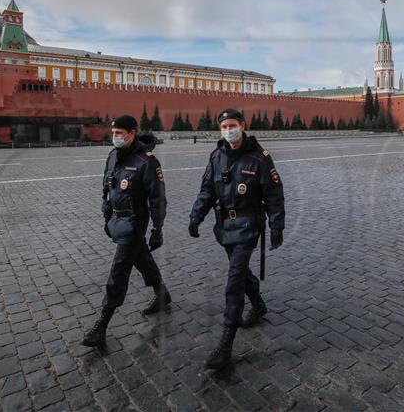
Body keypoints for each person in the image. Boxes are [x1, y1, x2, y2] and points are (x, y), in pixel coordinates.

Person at [188, 108, 285, 369]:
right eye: (223, 126)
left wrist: (277, 227)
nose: (228, 130)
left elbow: (274, 195)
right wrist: (195, 217)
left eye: (232, 125)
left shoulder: (260, 158)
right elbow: (207, 190)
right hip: (225, 227)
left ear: (242, 125)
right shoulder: (217, 156)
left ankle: (226, 344)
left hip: (248, 226)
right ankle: (259, 304)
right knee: (240, 273)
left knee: (234, 282)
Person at [82, 115, 171, 347]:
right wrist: (106, 215)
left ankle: (102, 324)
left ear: (132, 133)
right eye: (113, 133)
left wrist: (157, 228)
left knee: (119, 271)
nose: (115, 137)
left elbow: (157, 199)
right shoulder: (112, 157)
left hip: (135, 221)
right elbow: (106, 188)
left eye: (120, 133)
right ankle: (162, 294)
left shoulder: (147, 161)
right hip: (118, 220)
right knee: (141, 259)